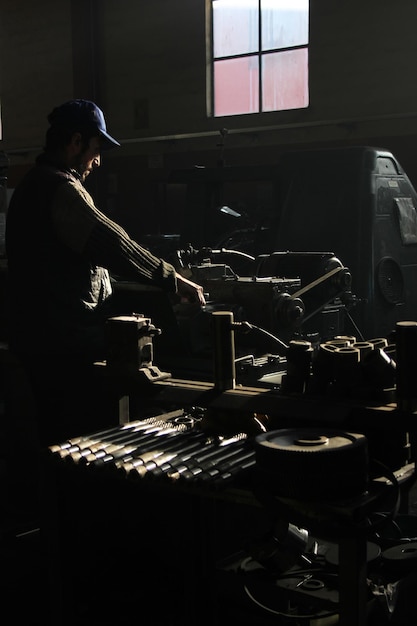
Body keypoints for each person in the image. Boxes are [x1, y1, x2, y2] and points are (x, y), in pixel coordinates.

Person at [5, 99, 206, 447]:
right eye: (95, 149)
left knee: (54, 433)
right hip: (63, 344)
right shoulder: (60, 190)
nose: (97, 161)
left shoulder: (31, 185)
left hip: (38, 337)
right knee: (78, 436)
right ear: (76, 142)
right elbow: (115, 246)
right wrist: (173, 279)